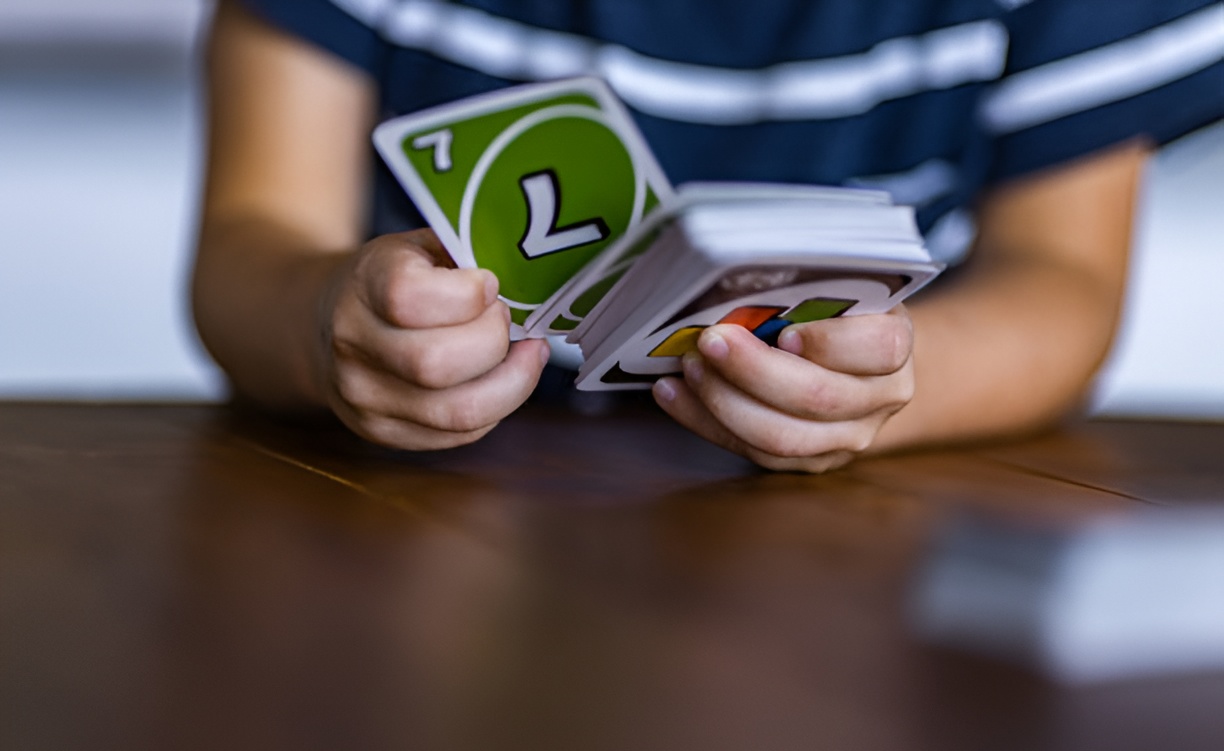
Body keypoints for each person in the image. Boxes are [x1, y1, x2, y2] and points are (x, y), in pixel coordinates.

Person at [192, 0, 1223, 472]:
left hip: (844, 538)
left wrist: (886, 387)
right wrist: (329, 322)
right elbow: (250, 245)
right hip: (411, 504)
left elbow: (1061, 284)